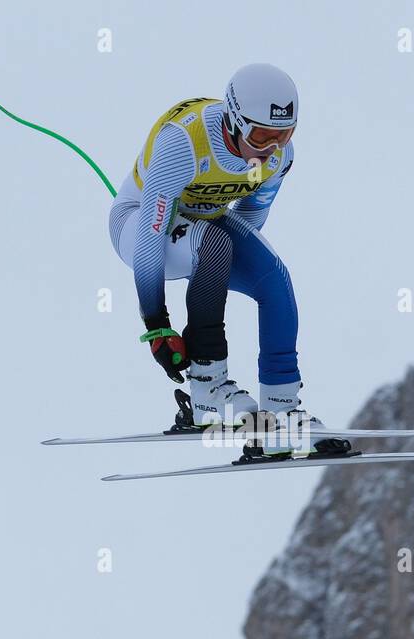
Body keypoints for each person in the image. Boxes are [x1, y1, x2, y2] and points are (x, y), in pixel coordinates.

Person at [108, 63, 320, 436]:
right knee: (216, 244)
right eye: (261, 136)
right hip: (138, 223)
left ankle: (281, 409)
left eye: (283, 135)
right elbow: (151, 236)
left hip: (205, 225)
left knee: (274, 278)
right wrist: (157, 326)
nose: (271, 148)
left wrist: (216, 272)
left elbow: (251, 217)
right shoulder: (184, 144)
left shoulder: (275, 159)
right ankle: (207, 388)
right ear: (234, 121)